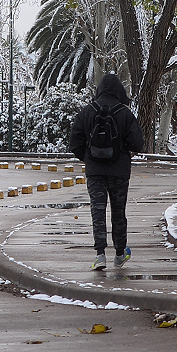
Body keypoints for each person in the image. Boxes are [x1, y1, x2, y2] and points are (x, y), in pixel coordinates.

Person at [70, 73, 144, 270]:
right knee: (118, 212)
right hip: (119, 172)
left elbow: (75, 143)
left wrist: (89, 158)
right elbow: (138, 143)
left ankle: (100, 254)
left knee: (98, 210)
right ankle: (120, 253)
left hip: (95, 172)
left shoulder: (87, 111)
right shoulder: (125, 113)